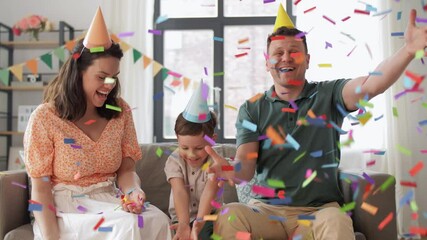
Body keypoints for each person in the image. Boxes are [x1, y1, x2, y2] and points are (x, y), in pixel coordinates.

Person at [206, 4, 427, 240]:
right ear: (267, 62)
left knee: (336, 219)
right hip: (266, 211)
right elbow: (245, 168)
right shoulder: (252, 109)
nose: (286, 58)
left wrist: (407, 50)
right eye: (278, 52)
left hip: (319, 212)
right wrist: (231, 170)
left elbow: (372, 85)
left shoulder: (329, 95)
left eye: (294, 51)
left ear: (307, 60)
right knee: (231, 214)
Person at [24, 7, 171, 240]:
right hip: (66, 206)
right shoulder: (45, 117)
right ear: (78, 71)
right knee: (126, 226)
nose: (109, 84)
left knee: (157, 220)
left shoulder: (120, 111)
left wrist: (133, 191)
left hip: (110, 199)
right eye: (102, 77)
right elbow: (40, 188)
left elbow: (127, 170)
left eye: (114, 77)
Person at [165, 81, 220, 240]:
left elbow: (209, 192)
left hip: (209, 217)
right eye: (185, 147)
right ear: (177, 139)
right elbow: (179, 190)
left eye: (198, 148)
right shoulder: (174, 160)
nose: (191, 155)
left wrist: (198, 225)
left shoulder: (215, 163)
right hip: (181, 218)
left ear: (211, 141)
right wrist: (183, 225)